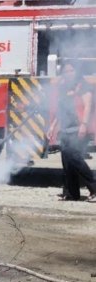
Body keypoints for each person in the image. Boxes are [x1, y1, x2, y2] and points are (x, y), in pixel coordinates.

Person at [48, 60, 96, 202]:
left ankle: (94, 188)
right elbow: (60, 111)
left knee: (75, 158)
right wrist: (52, 126)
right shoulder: (64, 89)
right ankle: (71, 193)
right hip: (65, 129)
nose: (68, 74)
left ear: (77, 72)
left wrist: (84, 125)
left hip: (79, 128)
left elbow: (87, 106)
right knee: (67, 162)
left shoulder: (83, 87)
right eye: (66, 71)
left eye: (71, 71)